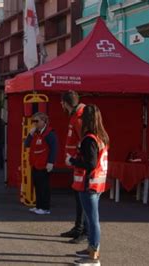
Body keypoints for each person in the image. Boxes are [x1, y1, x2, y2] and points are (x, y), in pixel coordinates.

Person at [67, 104, 109, 265]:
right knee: (93, 219)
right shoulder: (101, 137)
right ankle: (91, 249)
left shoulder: (89, 139)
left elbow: (90, 163)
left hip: (89, 184)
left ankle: (94, 257)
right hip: (97, 184)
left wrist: (72, 161)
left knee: (92, 220)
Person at [60, 90, 88, 244]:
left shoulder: (79, 118)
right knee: (78, 197)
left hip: (80, 165)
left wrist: (75, 159)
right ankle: (78, 227)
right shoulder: (75, 116)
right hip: (75, 163)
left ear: (65, 103)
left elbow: (85, 142)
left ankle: (84, 231)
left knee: (83, 199)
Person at [24, 112, 58, 215]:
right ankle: (39, 206)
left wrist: (51, 162)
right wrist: (30, 134)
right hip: (35, 164)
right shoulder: (36, 133)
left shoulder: (49, 134)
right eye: (33, 121)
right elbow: (26, 144)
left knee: (44, 187)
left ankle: (45, 208)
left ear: (44, 121)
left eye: (37, 121)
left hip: (44, 165)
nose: (35, 123)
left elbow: (54, 148)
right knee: (37, 186)